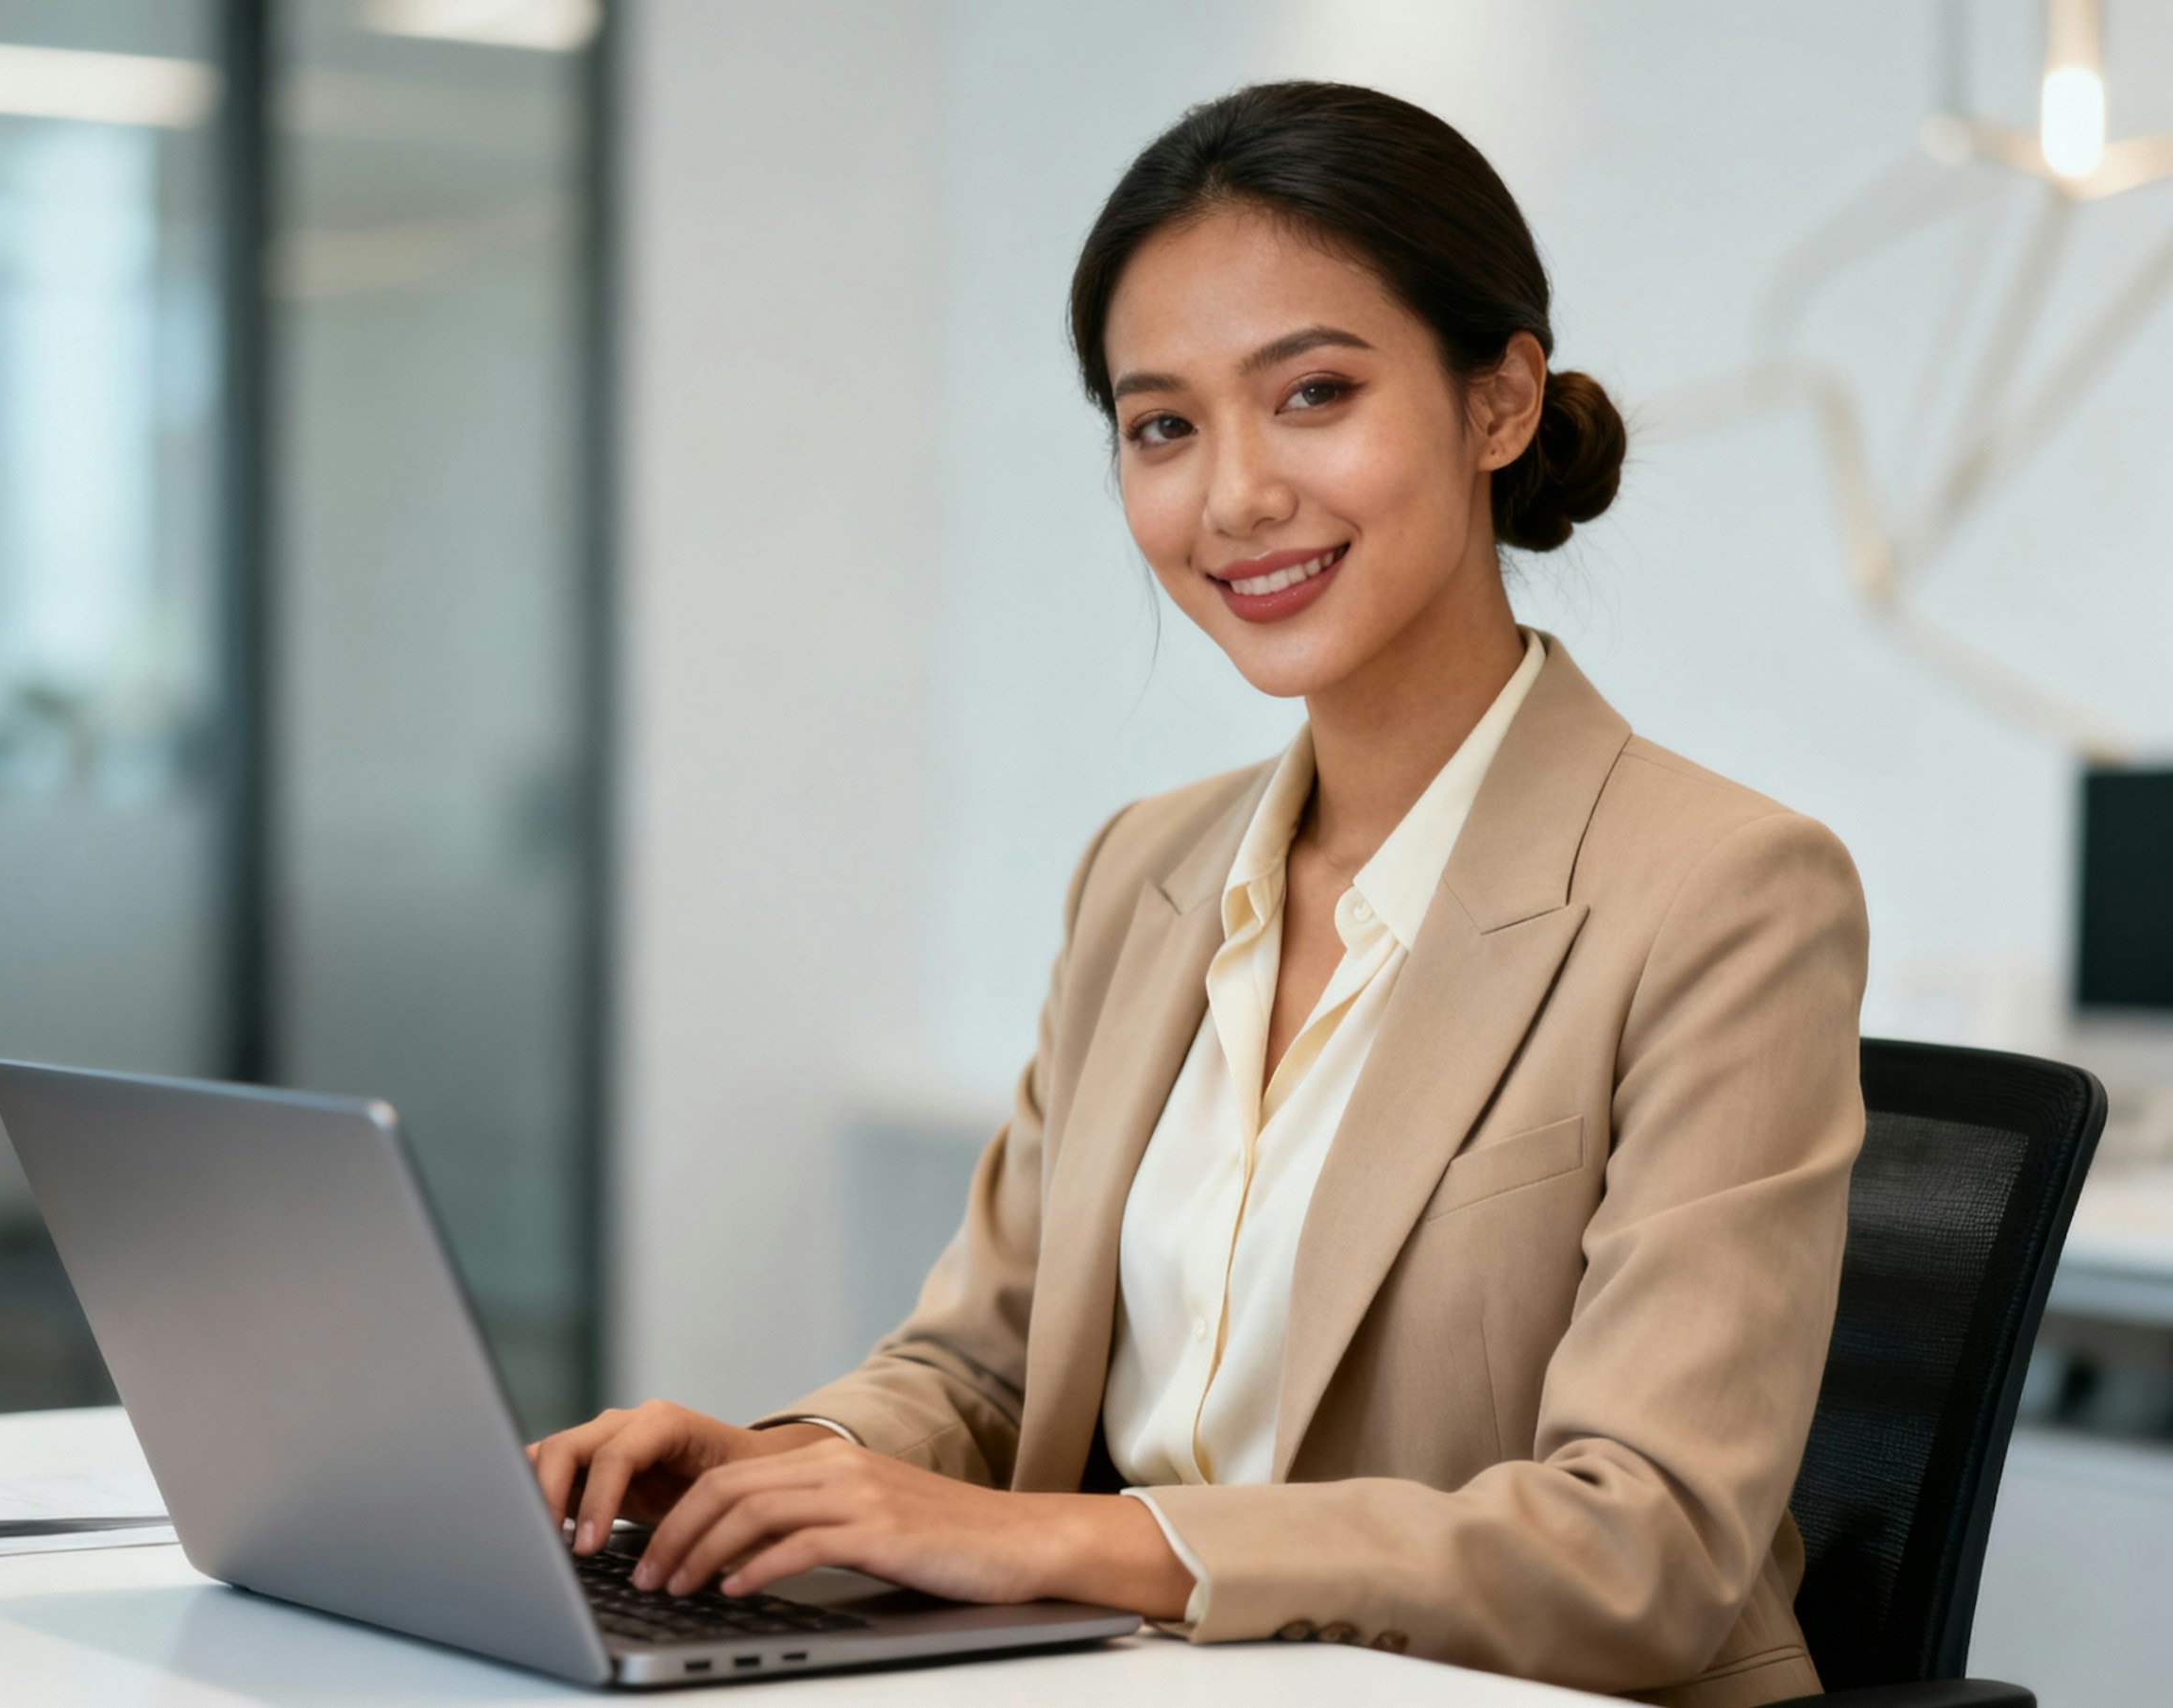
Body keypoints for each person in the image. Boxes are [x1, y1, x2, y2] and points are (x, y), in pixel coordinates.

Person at [530, 81, 1867, 1708]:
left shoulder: (1723, 891)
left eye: (1311, 392)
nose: (1232, 495)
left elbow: (1642, 1546)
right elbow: (981, 1359)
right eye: (1162, 424)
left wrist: (1074, 1547)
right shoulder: (1146, 872)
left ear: (1499, 399)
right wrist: (786, 1464)